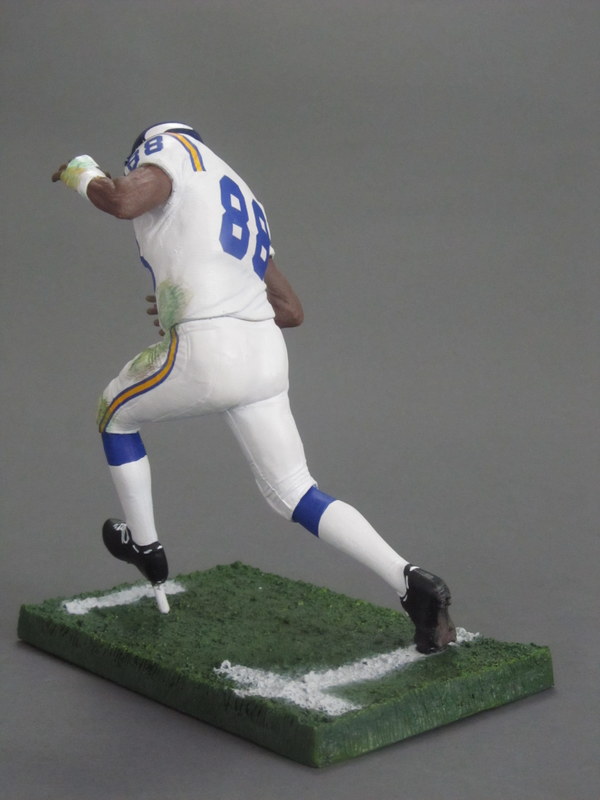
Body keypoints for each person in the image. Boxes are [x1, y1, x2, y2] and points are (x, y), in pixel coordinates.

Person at [52, 122, 456, 653]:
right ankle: (410, 581)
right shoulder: (237, 191)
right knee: (296, 492)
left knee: (114, 413)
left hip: (209, 352)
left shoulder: (171, 153)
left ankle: (146, 549)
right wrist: (201, 298)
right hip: (265, 353)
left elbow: (123, 199)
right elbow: (290, 310)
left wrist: (83, 173)